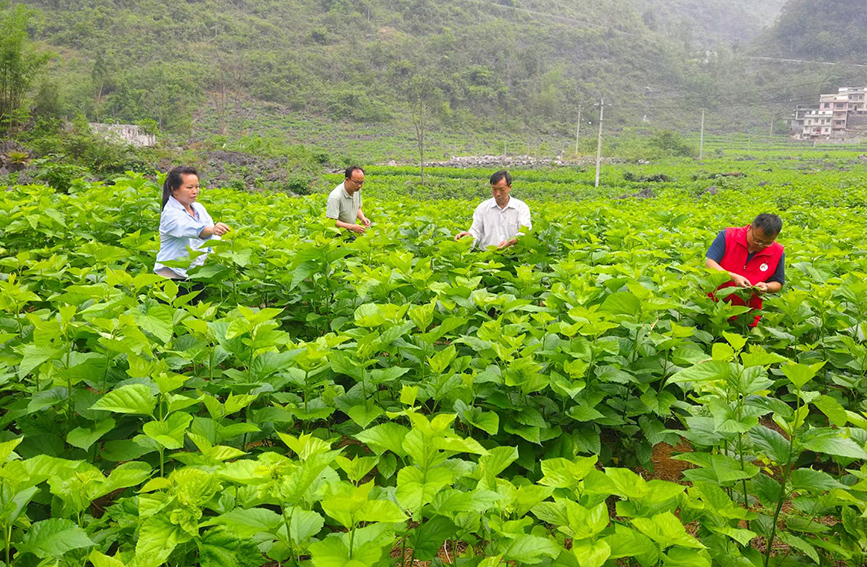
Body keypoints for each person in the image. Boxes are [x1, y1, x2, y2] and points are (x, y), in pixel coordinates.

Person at [705, 213, 785, 327]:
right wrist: (734, 277)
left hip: (746, 316)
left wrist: (767, 287)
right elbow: (710, 264)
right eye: (756, 240)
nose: (760, 245)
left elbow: (778, 283)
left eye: (767, 243)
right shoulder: (728, 236)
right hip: (713, 306)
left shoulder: (777, 252)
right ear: (750, 228)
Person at [154, 166, 230, 281]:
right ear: (174, 190)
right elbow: (192, 230)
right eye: (189, 187)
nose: (195, 191)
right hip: (172, 276)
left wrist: (228, 248)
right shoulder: (170, 214)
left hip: (195, 274)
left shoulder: (198, 208)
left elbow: (212, 238)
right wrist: (213, 230)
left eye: (197, 186)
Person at [455, 170, 531, 250]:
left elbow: (525, 232)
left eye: (502, 189)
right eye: (494, 189)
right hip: (487, 256)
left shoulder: (521, 208)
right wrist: (467, 237)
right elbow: (476, 232)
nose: (498, 194)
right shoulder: (483, 208)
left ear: (510, 187)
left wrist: (512, 241)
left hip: (513, 256)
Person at [326, 166, 371, 235]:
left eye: (361, 182)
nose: (359, 186)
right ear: (347, 179)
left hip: (349, 232)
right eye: (356, 182)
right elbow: (331, 220)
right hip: (337, 234)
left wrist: (363, 218)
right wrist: (352, 227)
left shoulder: (356, 190)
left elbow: (357, 207)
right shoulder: (335, 197)